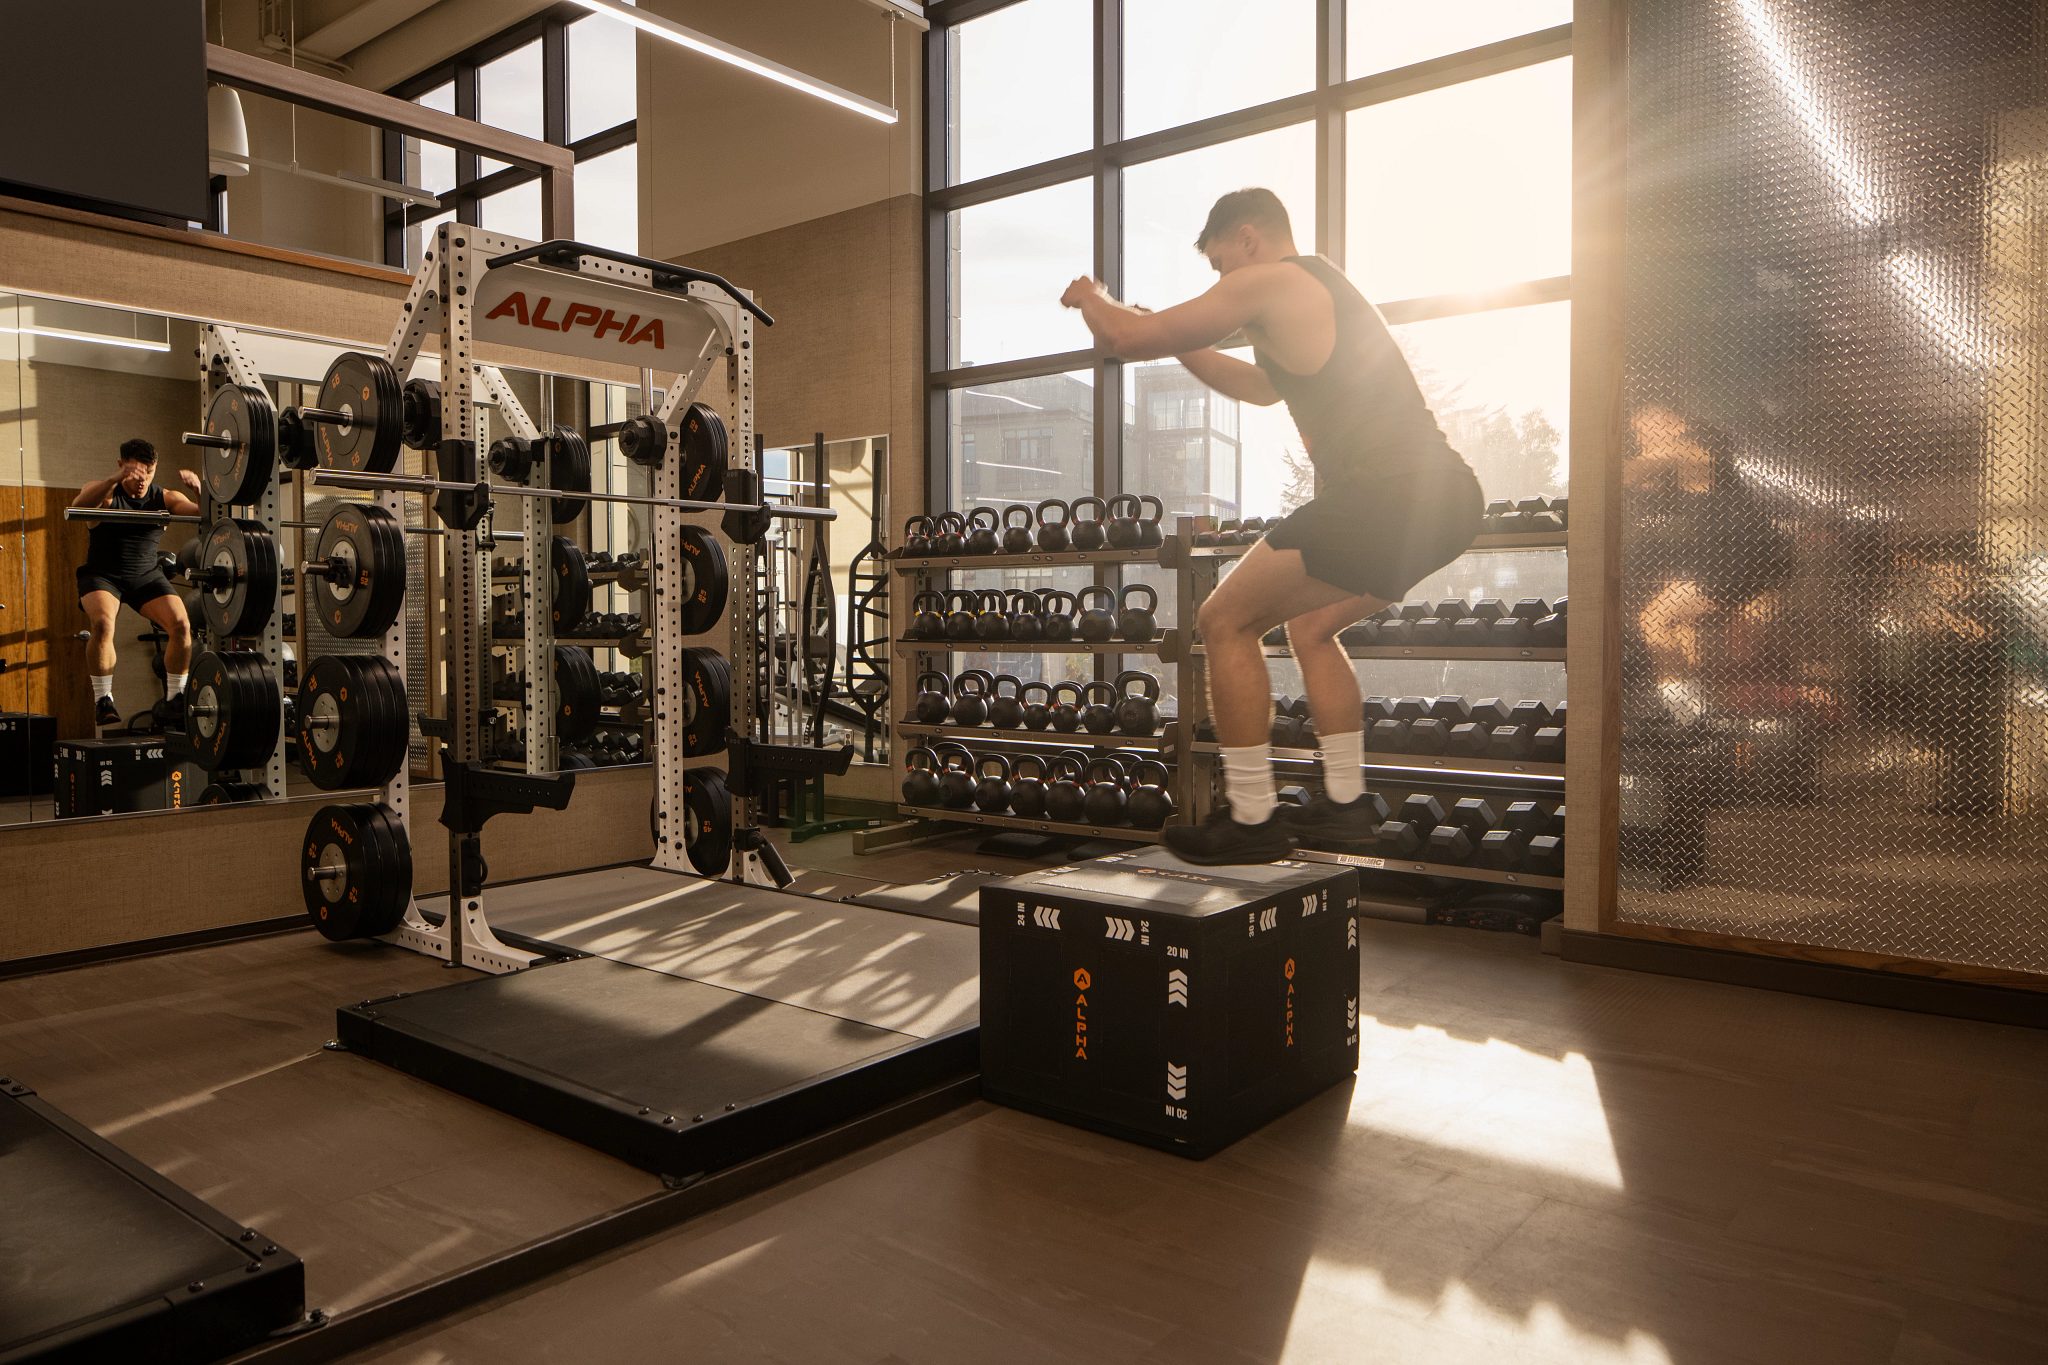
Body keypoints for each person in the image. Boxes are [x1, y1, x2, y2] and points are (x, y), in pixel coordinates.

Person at [1060, 188, 1481, 864]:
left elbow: (1122, 337)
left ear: (1249, 238)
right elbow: (1259, 389)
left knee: (1223, 620)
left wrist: (1091, 294)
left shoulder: (1271, 280)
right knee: (1311, 628)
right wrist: (1180, 339)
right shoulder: (1315, 292)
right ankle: (1345, 807)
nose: (1223, 282)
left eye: (1222, 264)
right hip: (1443, 501)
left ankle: (1252, 816)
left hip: (1386, 496)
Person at [70, 438, 200, 730]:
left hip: (145, 575)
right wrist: (115, 479)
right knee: (103, 624)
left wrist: (200, 491)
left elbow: (201, 515)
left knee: (181, 625)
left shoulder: (164, 497)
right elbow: (79, 506)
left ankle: (175, 696)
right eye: (135, 473)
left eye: (149, 473)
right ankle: (104, 699)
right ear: (121, 465)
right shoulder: (105, 492)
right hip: (103, 575)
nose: (143, 481)